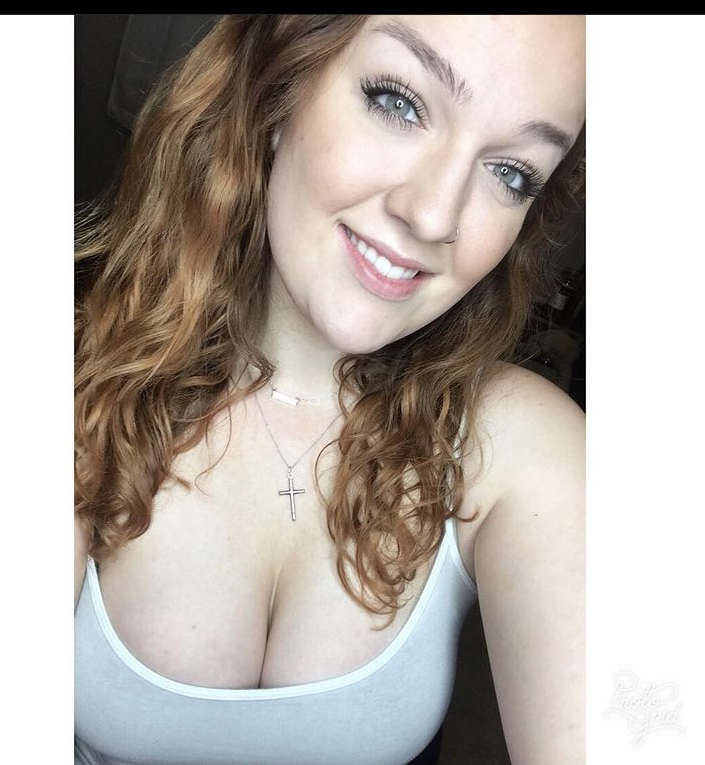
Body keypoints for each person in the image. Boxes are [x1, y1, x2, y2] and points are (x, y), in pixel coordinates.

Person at [74, 14, 586, 765]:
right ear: (280, 81)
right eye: (398, 102)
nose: (434, 215)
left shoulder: (518, 442)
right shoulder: (76, 373)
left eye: (512, 173)